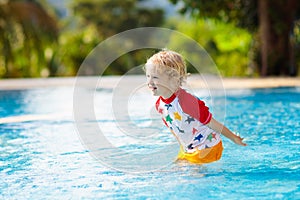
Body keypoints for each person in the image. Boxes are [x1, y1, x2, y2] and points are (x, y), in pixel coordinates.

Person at [145, 49, 246, 164]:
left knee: (189, 172)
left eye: (155, 77)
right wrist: (184, 149)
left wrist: (233, 138)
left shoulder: (186, 101)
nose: (149, 81)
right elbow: (174, 128)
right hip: (192, 148)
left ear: (173, 78)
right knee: (176, 167)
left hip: (209, 147)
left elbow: (212, 122)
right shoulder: (160, 105)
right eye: (148, 76)